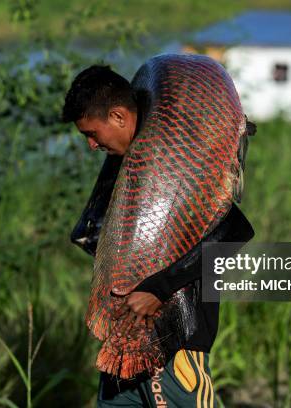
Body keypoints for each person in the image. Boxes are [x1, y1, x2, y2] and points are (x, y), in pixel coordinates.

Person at [62, 64, 255, 407]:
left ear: (119, 117)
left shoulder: (180, 162)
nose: (91, 145)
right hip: (123, 345)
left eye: (92, 133)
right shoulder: (126, 164)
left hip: (173, 341)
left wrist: (158, 288)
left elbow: (235, 231)